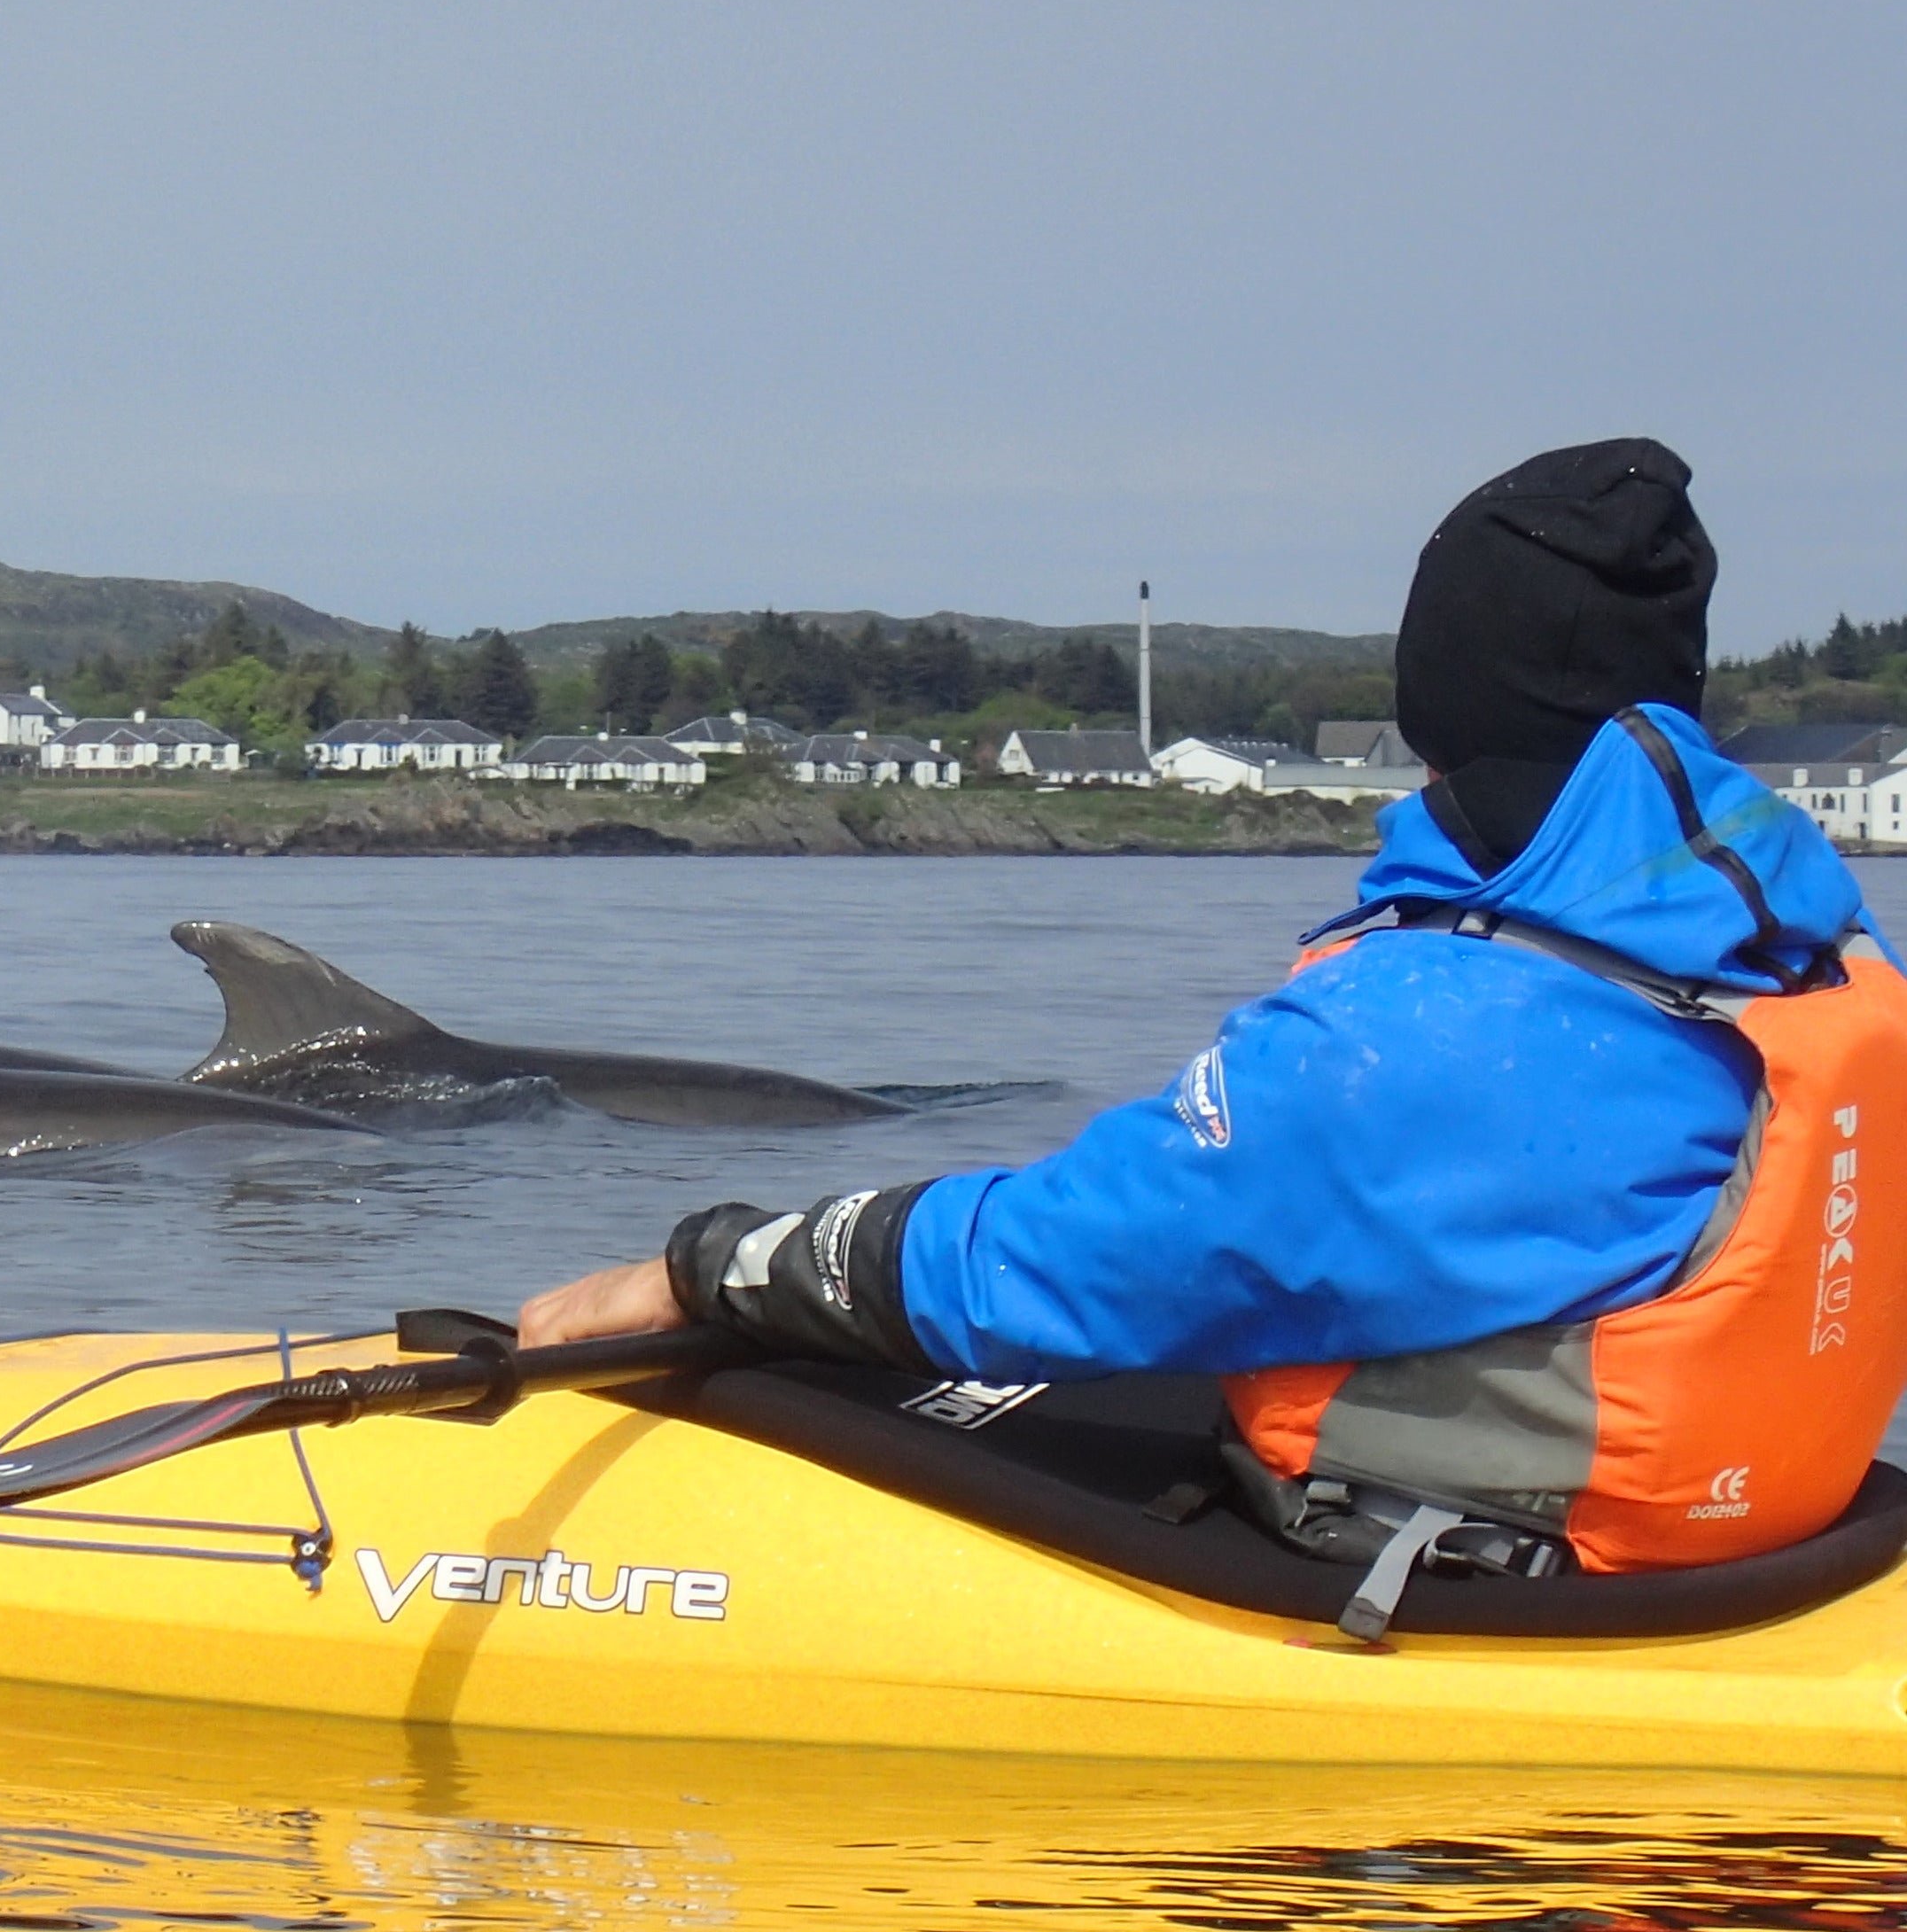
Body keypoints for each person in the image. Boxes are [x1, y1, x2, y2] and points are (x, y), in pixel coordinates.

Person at [518, 441, 1907, 1574]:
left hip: (1506, 1560)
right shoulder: (1822, 950)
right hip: (1765, 1528)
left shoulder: (1428, 1028)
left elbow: (1072, 1260)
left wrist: (711, 1269)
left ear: (1444, 687)